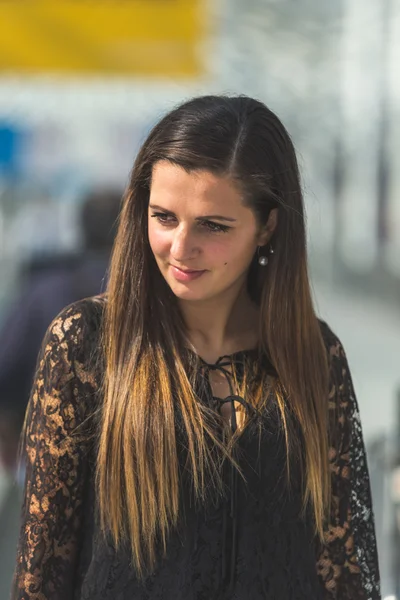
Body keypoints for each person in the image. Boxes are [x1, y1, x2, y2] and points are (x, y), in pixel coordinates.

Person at [11, 95, 380, 599]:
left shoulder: (314, 354)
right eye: (164, 217)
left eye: (213, 225)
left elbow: (344, 570)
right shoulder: (87, 343)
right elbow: (42, 574)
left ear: (267, 226)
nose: (181, 248)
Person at [0, 187, 121, 475]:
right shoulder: (145, 290)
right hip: (128, 463)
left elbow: (6, 369)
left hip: (45, 457)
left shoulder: (43, 289)